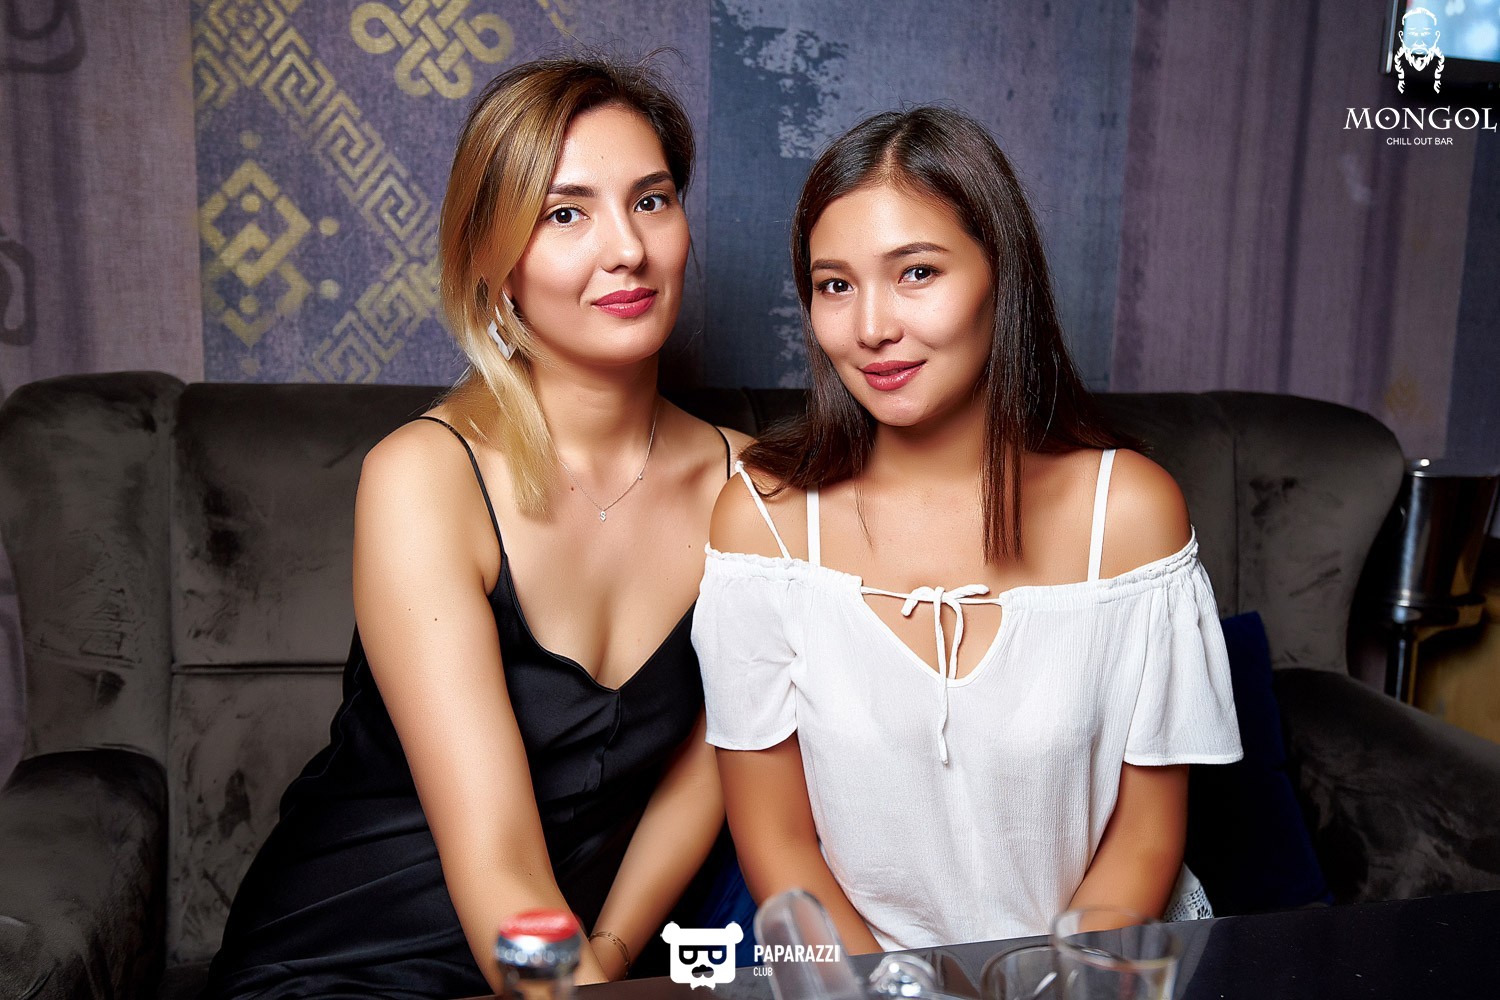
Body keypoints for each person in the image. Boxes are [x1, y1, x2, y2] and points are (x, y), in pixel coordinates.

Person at [203, 56, 750, 999]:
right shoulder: (426, 477)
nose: (627, 248)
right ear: (493, 261)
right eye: (565, 213)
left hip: (580, 968)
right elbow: (499, 863)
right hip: (347, 964)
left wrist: (611, 957)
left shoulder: (754, 491)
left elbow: (712, 772)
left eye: (651, 200)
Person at [693, 106, 1242, 953]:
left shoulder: (1128, 514)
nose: (871, 327)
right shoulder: (764, 526)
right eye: (835, 285)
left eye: (916, 272)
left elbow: (1145, 840)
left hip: (1095, 969)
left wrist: (1053, 983)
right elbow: (778, 843)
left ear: (1002, 275)